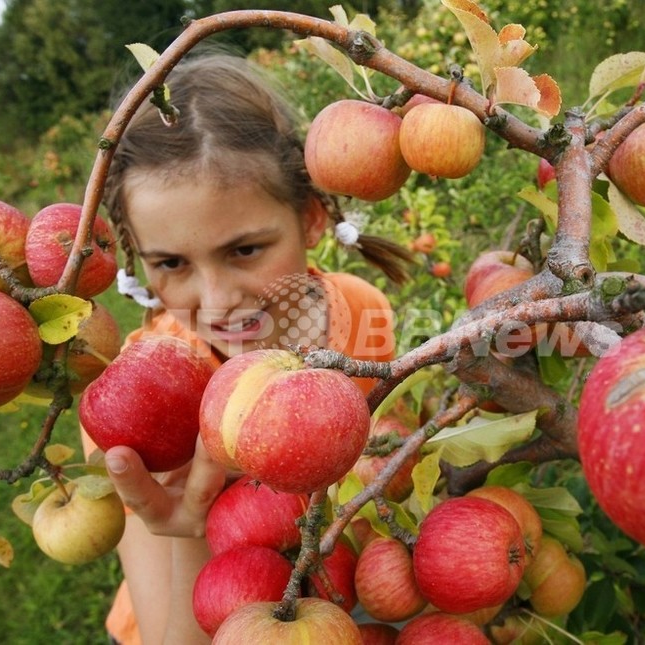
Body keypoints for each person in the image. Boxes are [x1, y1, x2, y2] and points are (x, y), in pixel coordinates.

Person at [81, 52, 413, 644]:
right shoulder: (140, 404)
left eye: (245, 250)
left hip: (325, 589)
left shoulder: (360, 310)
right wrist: (189, 528)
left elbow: (383, 438)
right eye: (171, 263)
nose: (216, 301)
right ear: (137, 256)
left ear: (311, 219)